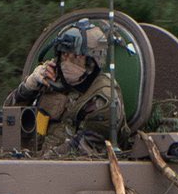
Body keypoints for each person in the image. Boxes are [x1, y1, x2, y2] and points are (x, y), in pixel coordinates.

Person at [7, 19, 131, 152]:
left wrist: (32, 164)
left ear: (92, 62)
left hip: (73, 169)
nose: (67, 62)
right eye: (64, 55)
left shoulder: (103, 98)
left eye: (76, 57)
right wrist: (28, 87)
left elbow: (79, 152)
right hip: (34, 163)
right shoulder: (51, 82)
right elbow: (5, 123)